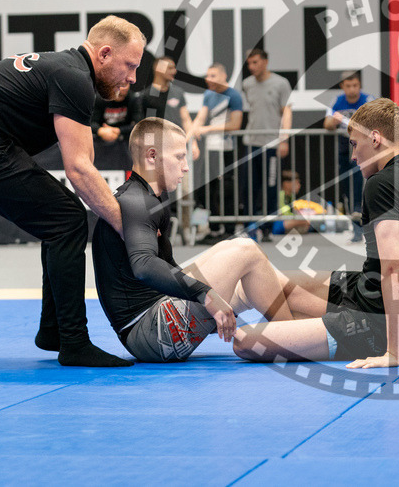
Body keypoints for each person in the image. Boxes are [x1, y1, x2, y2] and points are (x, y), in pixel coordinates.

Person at [0, 15, 145, 367]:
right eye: (130, 65)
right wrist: (129, 228)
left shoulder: (68, 70)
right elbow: (78, 170)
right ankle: (74, 343)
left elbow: (86, 162)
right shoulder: (74, 78)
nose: (133, 78)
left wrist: (118, 215)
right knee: (67, 218)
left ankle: (54, 331)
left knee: (61, 218)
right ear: (104, 54)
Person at [234, 98, 399, 367]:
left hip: (371, 325)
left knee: (244, 341)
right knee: (263, 285)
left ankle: (302, 330)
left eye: (354, 144)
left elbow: (394, 269)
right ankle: (206, 312)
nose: (353, 156)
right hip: (364, 291)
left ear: (375, 138)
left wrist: (392, 353)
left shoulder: (381, 184)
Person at [91, 117, 295, 363]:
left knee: (249, 272)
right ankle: (295, 340)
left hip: (153, 323)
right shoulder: (137, 201)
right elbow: (143, 265)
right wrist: (207, 295)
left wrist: (210, 297)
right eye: (179, 157)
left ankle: (304, 325)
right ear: (152, 156)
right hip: (151, 332)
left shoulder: (145, 196)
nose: (186, 167)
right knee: (246, 250)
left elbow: (167, 268)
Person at [188, 63, 244, 239]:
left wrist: (207, 129)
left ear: (223, 76)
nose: (208, 79)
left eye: (213, 76)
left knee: (226, 191)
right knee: (204, 191)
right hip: (210, 150)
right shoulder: (208, 94)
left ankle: (229, 230)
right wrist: (190, 140)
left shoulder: (234, 95)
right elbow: (199, 119)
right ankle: (210, 228)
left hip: (226, 150)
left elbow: (235, 124)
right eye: (207, 75)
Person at [242, 48, 292, 242]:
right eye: (249, 63)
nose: (251, 66)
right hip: (251, 143)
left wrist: (284, 139)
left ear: (265, 62)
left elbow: (286, 112)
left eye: (255, 62)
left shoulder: (281, 83)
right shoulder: (247, 84)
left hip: (271, 144)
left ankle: (268, 229)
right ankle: (249, 227)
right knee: (249, 187)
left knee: (271, 188)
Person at [324, 71, 374, 242]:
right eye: (348, 86)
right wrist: (335, 120)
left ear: (359, 85)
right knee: (347, 188)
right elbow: (327, 124)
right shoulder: (337, 101)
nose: (352, 89)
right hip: (343, 149)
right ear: (342, 86)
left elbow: (378, 123)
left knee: (360, 186)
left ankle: (364, 222)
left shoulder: (368, 100)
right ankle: (356, 229)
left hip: (364, 150)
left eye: (355, 85)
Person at [91, 83, 141, 169]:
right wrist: (100, 131)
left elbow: (139, 125)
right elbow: (90, 122)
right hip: (102, 142)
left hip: (125, 143)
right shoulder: (101, 98)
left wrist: (119, 130)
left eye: (126, 85)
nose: (123, 88)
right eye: (120, 85)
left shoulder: (133, 99)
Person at [137, 57, 192, 132]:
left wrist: (191, 137)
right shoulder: (145, 96)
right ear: (159, 69)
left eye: (174, 68)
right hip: (156, 138)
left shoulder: (178, 92)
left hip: (177, 137)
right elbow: (141, 125)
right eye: (170, 68)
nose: (174, 71)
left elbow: (186, 120)